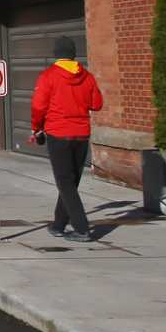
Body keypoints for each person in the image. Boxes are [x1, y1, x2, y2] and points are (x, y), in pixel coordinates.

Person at [31, 37, 105, 241]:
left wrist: (36, 128)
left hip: (58, 133)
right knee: (70, 181)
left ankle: (82, 228)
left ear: (56, 53)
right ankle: (58, 224)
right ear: (73, 54)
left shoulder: (48, 76)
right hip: (81, 134)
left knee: (64, 182)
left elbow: (38, 107)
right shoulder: (87, 77)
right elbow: (97, 103)